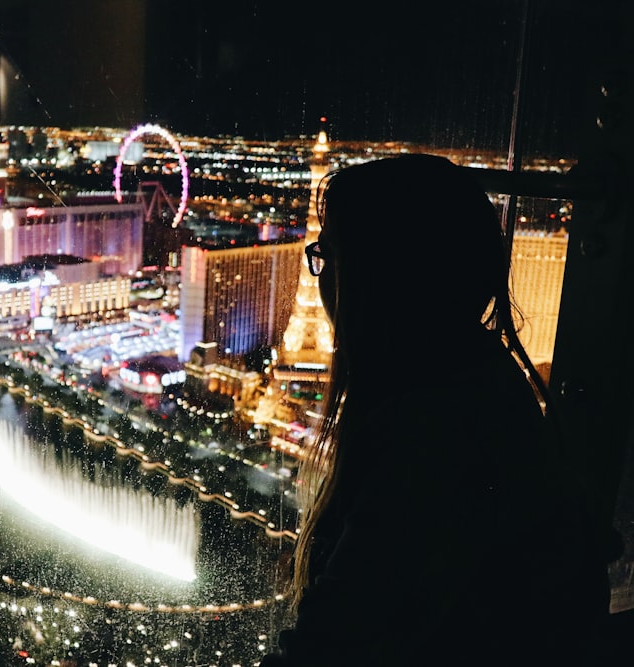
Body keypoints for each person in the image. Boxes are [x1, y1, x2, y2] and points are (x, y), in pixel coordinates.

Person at [261, 154, 613, 666]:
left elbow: (333, 638)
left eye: (330, 255)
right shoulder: (483, 385)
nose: (321, 275)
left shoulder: (428, 436)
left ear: (380, 278)